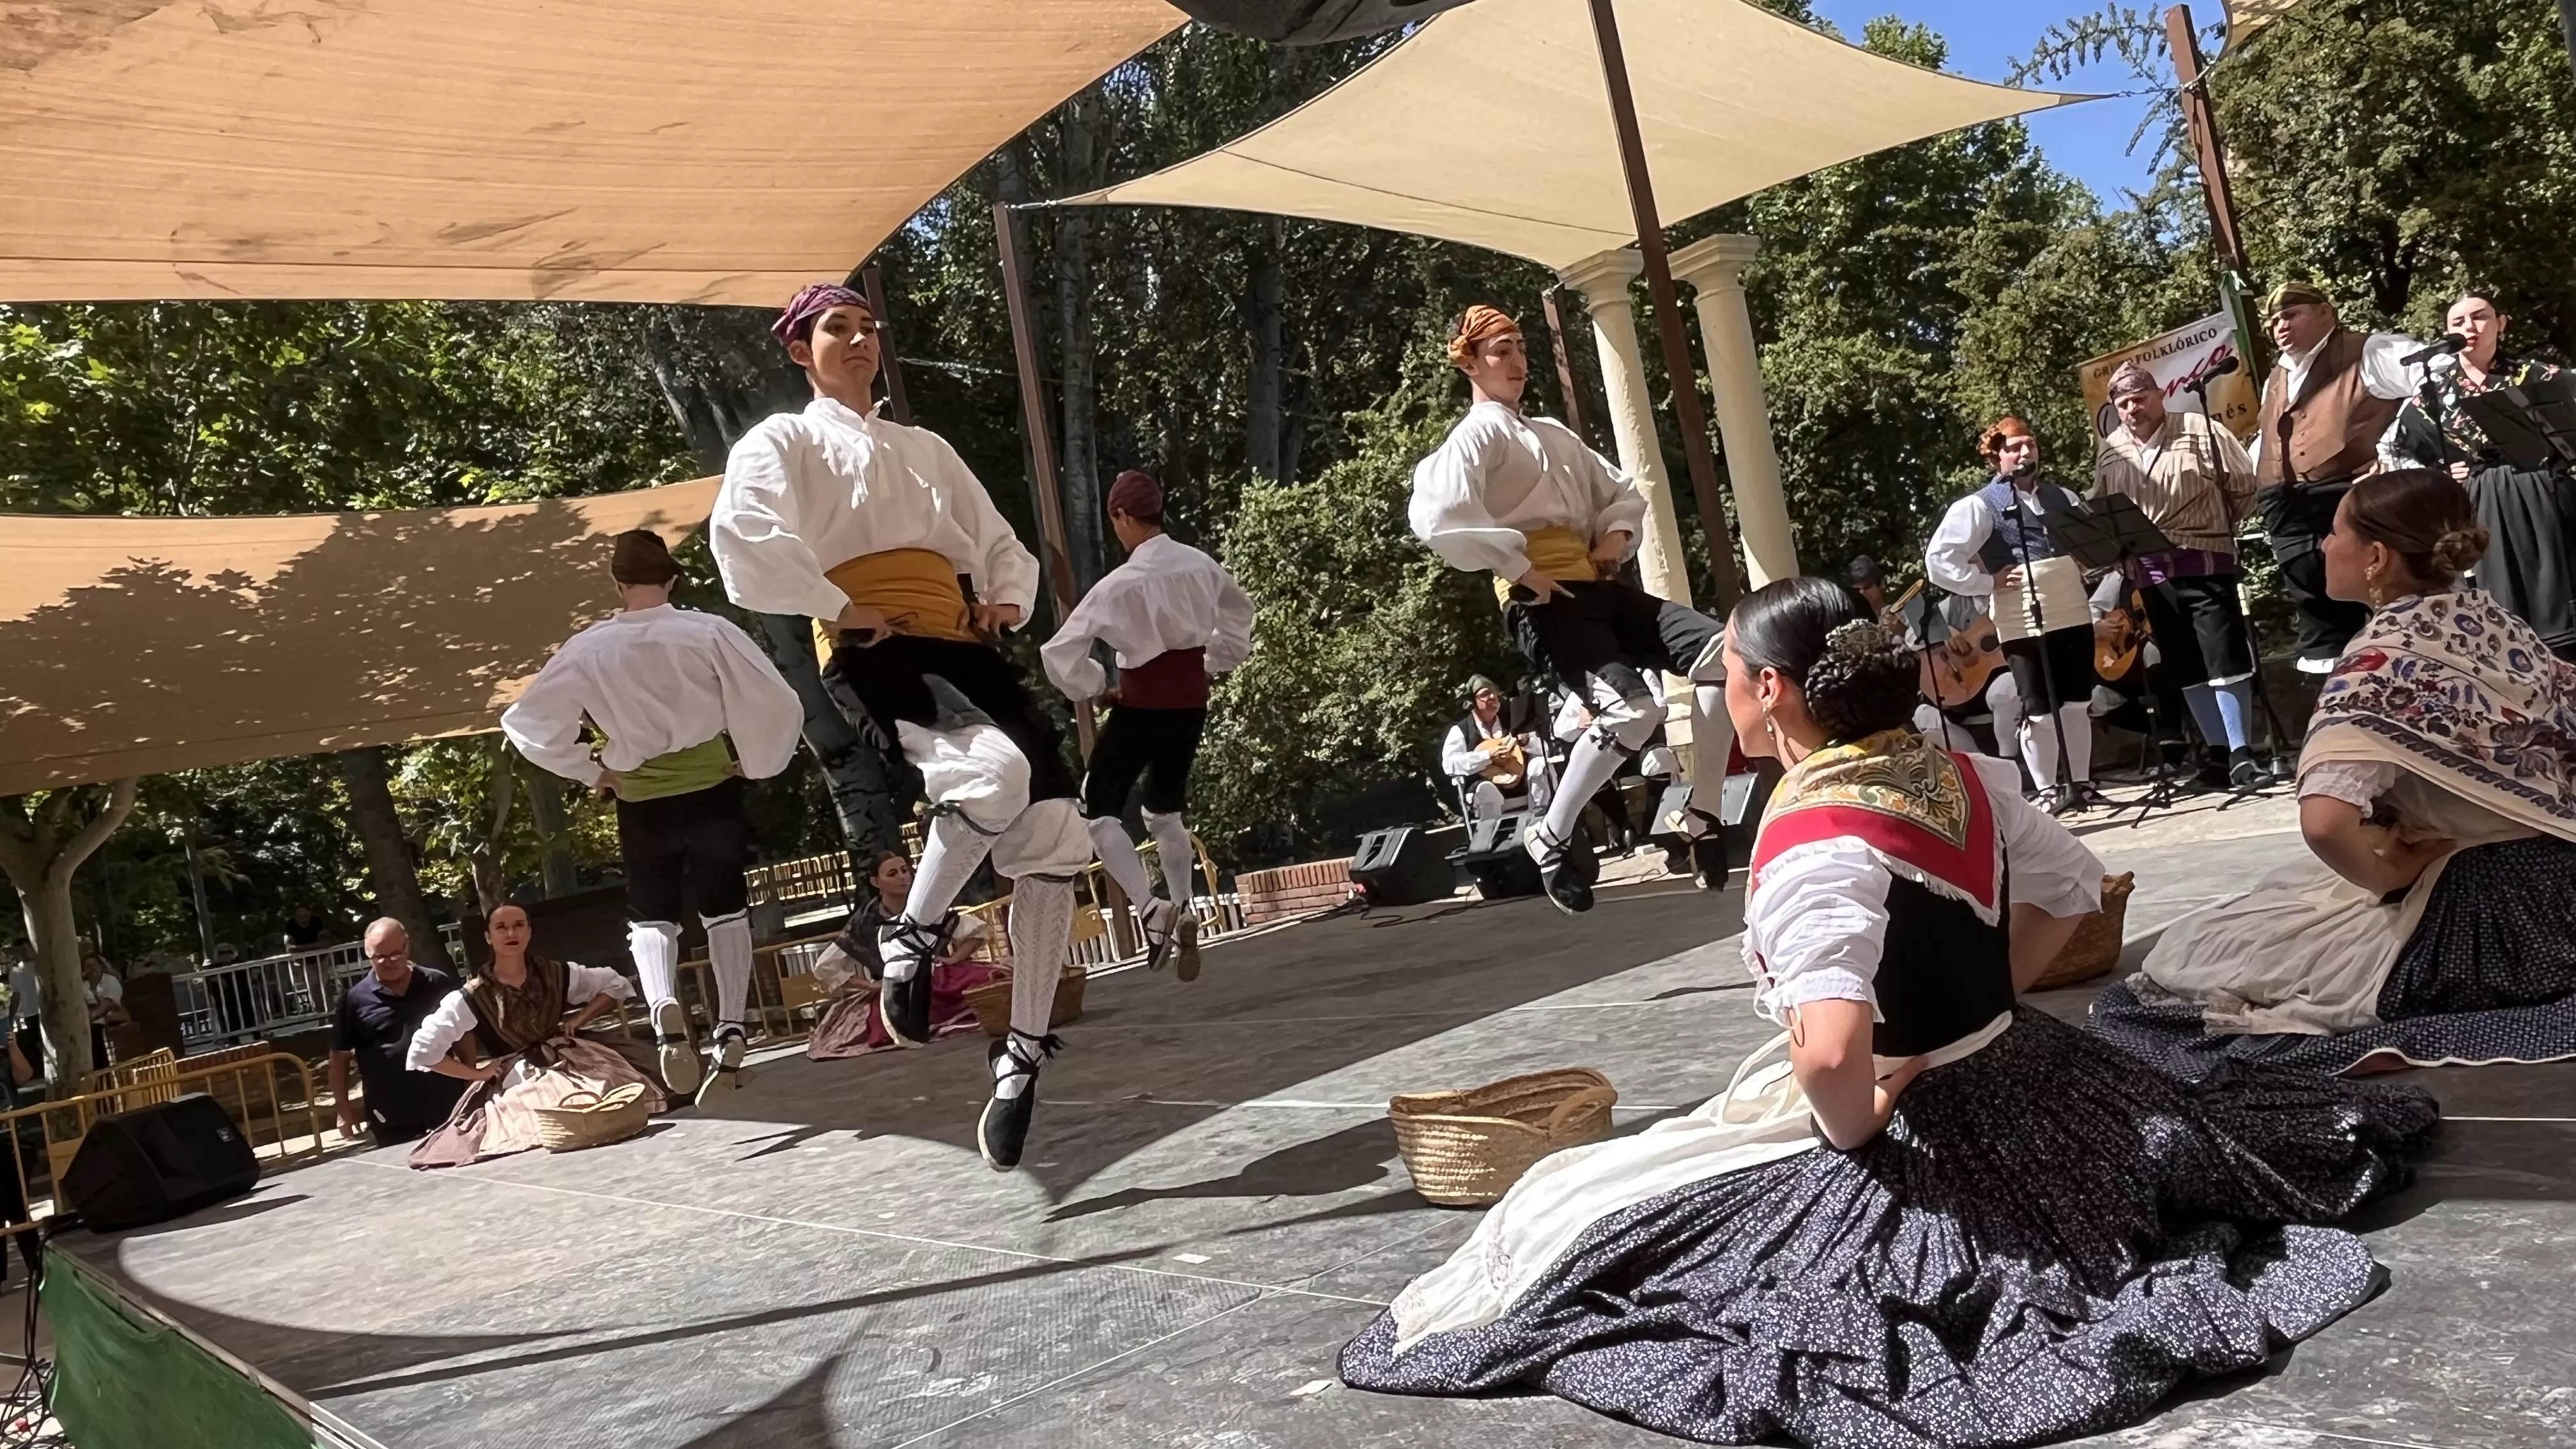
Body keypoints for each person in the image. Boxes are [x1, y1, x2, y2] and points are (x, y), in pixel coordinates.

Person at [1339, 577, 2438, 1446]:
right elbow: (2069, 888)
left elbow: (1826, 1044)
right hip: (2034, 1072)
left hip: (1924, 1121)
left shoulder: (1814, 830)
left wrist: (1858, 1115)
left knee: (1568, 1217)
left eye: (1724, 669)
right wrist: (1989, 1000)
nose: (1717, 685)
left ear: (1771, 690)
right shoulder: (1953, 768)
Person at [711, 281, 1096, 1172]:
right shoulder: (784, 438)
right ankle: (912, 935)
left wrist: (1005, 598)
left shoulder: (924, 445)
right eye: (836, 329)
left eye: (868, 328)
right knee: (992, 778)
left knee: (1055, 833)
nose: (858, 340)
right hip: (874, 644)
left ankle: (1022, 1056)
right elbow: (744, 535)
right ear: (800, 350)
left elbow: (999, 539)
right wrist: (836, 604)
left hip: (961, 640)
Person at [2092, 468, 2576, 1076]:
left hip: (2481, 921)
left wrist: (2384, 875)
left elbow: (2325, 824)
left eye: (2335, 529)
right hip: (2562, 891)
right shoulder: (2502, 626)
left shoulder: (2379, 662)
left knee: (2189, 955)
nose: (2322, 544)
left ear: (2376, 557)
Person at [1410, 304, 1733, 908]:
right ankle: (1551, 836)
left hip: (1595, 586)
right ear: (1470, 362)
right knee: (1631, 713)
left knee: (1726, 653)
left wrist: (1614, 537)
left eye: (1521, 349)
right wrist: (1518, 567)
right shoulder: (1476, 434)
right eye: (1501, 350)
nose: (1516, 361)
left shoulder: (1553, 432)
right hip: (1543, 601)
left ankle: (1704, 813)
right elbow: (1438, 517)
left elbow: (1622, 492)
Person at [502, 528, 803, 1107]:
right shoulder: (709, 632)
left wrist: (592, 771)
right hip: (712, 787)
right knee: (724, 907)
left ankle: (663, 1001)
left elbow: (527, 724)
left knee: (650, 914)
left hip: (641, 798)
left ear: (617, 585)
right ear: (671, 579)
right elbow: (778, 701)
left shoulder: (587, 648)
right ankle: (733, 1026)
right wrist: (756, 762)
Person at [1039, 470, 1253, 981]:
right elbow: (1238, 615)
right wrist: (1212, 662)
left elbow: (1059, 652)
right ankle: (1184, 905)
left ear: (1120, 516)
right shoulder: (1200, 565)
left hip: (1140, 704)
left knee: (1098, 808)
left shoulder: (1119, 585)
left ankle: (1150, 908)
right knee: (1165, 809)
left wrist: (1093, 685)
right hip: (1189, 703)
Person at [2092, 358, 2267, 789]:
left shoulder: (2200, 429)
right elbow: (2102, 504)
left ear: (2159, 396)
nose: (2133, 410)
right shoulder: (2111, 448)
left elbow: (2244, 485)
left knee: (2223, 656)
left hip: (2204, 558)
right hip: (2151, 572)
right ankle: (2217, 757)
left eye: (2140, 399)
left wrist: (2216, 530)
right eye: (2124, 404)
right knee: (2184, 665)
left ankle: (2243, 752)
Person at [2383, 287, 2576, 661]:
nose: (2468, 326)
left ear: (2501, 323)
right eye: (2458, 321)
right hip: (2481, 502)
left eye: (2479, 316)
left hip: (2545, 497)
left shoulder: (2541, 375)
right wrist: (2436, 475)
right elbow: (2392, 448)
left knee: (2558, 596)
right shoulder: (2434, 391)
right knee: (2500, 604)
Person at [1926, 417, 2108, 812]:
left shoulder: (2064, 497)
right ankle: (2046, 790)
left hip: (2070, 607)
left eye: (2030, 445)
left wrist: (2089, 563)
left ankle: (2081, 782)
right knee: (2038, 704)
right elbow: (1939, 559)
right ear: (1997, 457)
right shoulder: (1978, 506)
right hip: (2020, 612)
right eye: (2014, 448)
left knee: (2077, 701)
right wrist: (1985, 583)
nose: (2025, 453)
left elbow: (2094, 547)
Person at [406, 903, 671, 1168]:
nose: (511, 933)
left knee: (614, 1089)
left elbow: (615, 984)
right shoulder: (472, 996)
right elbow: (423, 1051)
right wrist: (477, 1073)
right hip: (518, 1075)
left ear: (529, 932)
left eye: (519, 925)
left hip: (569, 1056)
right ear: (488, 937)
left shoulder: (555, 973)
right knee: (549, 1112)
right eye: (502, 927)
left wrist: (579, 1020)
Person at [2251, 280, 2423, 672]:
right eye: (2274, 320)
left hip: (2354, 499)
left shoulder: (2371, 350)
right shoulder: (2274, 380)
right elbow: (2267, 444)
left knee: (2389, 598)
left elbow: (2438, 380)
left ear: (2326, 313)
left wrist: (2392, 451)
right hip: (2294, 520)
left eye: (2291, 315)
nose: (2280, 326)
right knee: (2322, 627)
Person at [805, 850, 1000, 1061]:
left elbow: (976, 932)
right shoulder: (867, 920)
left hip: (938, 978)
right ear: (876, 882)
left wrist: (953, 959)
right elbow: (826, 966)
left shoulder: (924, 907)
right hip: (897, 987)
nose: (902, 877)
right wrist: (871, 986)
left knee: (994, 980)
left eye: (905, 871)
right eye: (892, 873)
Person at [326, 919, 466, 1145]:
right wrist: (343, 1109)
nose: (388, 962)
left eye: (395, 955)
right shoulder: (354, 1000)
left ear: (407, 947)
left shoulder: (437, 983)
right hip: (391, 1116)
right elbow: (338, 1059)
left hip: (447, 1105)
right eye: (379, 957)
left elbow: (464, 1036)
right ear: (367, 953)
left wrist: (471, 1080)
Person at [1439, 675, 1551, 822]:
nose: (1493, 696)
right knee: (1488, 791)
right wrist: (1488, 757)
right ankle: (1493, 837)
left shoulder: (1512, 722)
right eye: (1485, 694)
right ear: (1473, 701)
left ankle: (1540, 824)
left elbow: (1546, 750)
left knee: (1540, 765)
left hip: (1520, 783)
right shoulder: (1461, 730)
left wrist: (1527, 741)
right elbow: (1449, 765)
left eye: (1494, 692)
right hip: (1481, 787)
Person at [79, 946, 126, 1070]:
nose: (92, 968)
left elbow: (108, 1003)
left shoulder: (110, 981)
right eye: (88, 966)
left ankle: (103, 1069)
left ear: (100, 966)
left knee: (96, 1030)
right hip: (94, 1022)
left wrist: (94, 1016)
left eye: (94, 964)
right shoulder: (83, 986)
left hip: (113, 1017)